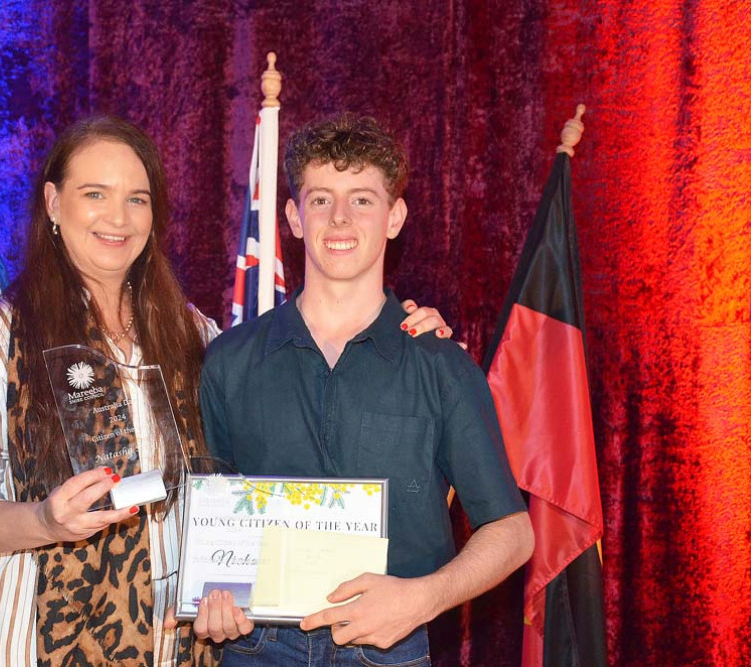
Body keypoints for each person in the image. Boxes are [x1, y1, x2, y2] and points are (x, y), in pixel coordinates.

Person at [0, 115, 451, 666]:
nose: (117, 218)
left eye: (137, 199)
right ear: (54, 203)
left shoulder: (192, 333)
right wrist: (44, 522)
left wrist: (400, 331)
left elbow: (239, 464)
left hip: (179, 646)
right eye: (94, 194)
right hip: (39, 642)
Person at [195, 114, 534, 665]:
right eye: (321, 199)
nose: (340, 219)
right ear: (293, 218)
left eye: (363, 200)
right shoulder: (229, 361)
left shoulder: (441, 366)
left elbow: (513, 531)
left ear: (395, 216)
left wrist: (422, 598)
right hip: (255, 646)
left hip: (391, 648)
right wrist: (211, 595)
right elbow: (208, 513)